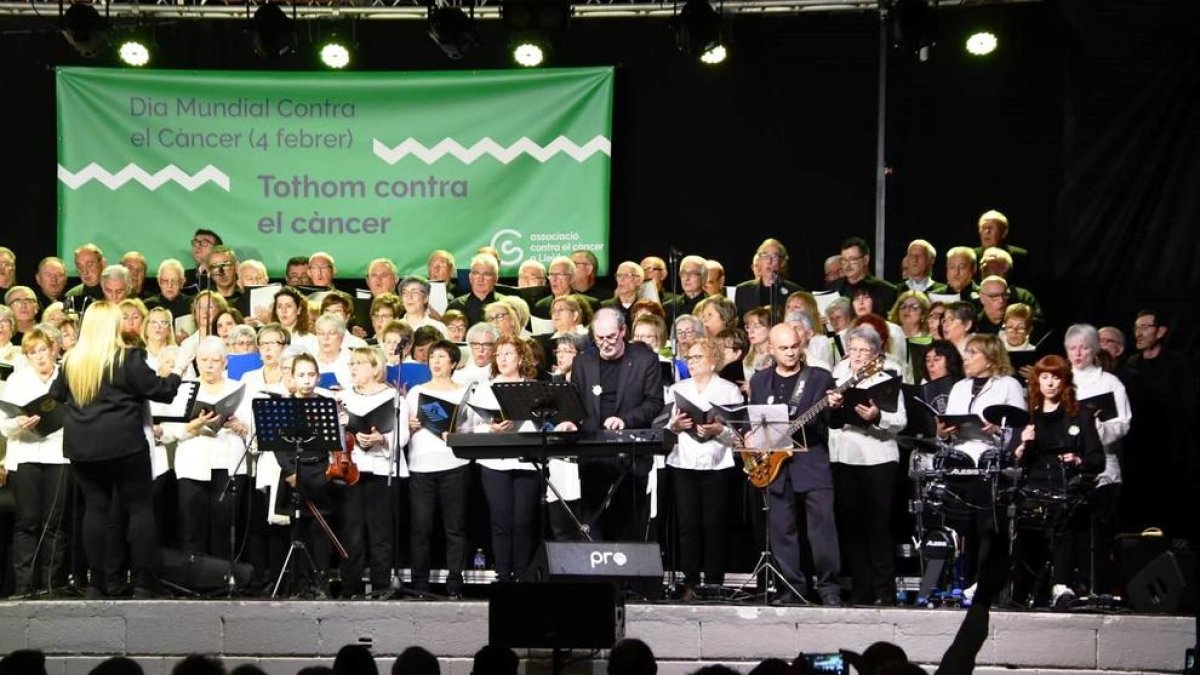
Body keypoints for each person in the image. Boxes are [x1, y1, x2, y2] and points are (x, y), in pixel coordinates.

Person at [50, 301, 185, 597]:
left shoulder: (73, 360)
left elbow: (57, 394)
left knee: (95, 510)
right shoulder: (127, 358)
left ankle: (96, 583)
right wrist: (175, 371)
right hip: (124, 446)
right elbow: (162, 392)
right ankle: (142, 582)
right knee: (139, 510)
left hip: (83, 448)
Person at [748, 323, 841, 606]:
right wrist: (752, 437)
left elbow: (833, 422)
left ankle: (829, 589)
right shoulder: (760, 380)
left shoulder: (819, 377)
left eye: (794, 347)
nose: (790, 353)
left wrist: (836, 407)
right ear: (771, 349)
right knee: (781, 529)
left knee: (822, 528)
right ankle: (792, 588)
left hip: (811, 460)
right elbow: (755, 420)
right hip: (775, 462)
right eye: (784, 348)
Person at [557, 308, 664, 541]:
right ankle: (597, 576)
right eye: (599, 338)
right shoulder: (583, 362)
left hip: (630, 455)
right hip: (592, 453)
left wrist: (625, 420)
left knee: (625, 524)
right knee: (592, 521)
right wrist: (569, 421)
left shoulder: (645, 360)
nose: (605, 344)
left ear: (623, 331)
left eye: (611, 337)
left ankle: (626, 576)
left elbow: (654, 402)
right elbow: (574, 403)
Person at [1012, 355, 1104, 606]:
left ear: (1064, 382)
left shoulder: (1079, 414)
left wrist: (1077, 460)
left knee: (1065, 516)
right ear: (1036, 381)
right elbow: (1017, 458)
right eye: (1044, 377)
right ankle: (1020, 586)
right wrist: (1022, 444)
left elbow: (1097, 459)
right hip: (1033, 486)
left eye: (1055, 377)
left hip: (1066, 485)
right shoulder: (1030, 416)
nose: (1049, 383)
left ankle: (1060, 584)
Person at [827, 325, 906, 605]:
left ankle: (885, 591)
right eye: (854, 349)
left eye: (865, 351)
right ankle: (861, 590)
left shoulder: (886, 378)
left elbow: (900, 422)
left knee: (878, 527)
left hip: (877, 459)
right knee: (852, 527)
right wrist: (832, 406)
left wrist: (877, 415)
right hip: (844, 457)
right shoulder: (837, 376)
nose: (858, 355)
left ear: (876, 354)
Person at [938, 333, 1025, 586]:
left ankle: (984, 582)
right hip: (962, 458)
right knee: (961, 524)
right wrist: (943, 433)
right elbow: (949, 425)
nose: (966, 358)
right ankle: (959, 580)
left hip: (991, 461)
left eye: (973, 353)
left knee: (987, 525)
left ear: (991, 357)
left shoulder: (1009, 384)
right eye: (967, 353)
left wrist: (998, 430)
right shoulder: (960, 387)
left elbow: (1017, 428)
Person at [159, 336, 252, 559]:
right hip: (193, 465)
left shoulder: (239, 388)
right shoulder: (183, 390)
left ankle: (222, 579)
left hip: (228, 465)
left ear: (225, 362)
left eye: (215, 360)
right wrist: (192, 426)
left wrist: (239, 426)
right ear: (196, 362)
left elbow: (253, 431)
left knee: (224, 526)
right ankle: (195, 580)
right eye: (204, 360)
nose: (209, 365)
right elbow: (168, 432)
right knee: (192, 527)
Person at [664, 337, 743, 598]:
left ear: (712, 361)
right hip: (684, 462)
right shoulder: (678, 388)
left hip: (717, 463)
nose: (692, 362)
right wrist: (675, 426)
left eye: (698, 357)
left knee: (714, 524)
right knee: (688, 525)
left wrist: (719, 429)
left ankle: (713, 581)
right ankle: (689, 581)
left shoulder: (729, 390)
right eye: (690, 358)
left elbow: (739, 436)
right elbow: (665, 426)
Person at [1, 328, 70, 596]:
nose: (39, 357)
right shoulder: (18, 380)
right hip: (27, 455)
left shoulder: (65, 376)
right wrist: (17, 423)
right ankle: (23, 587)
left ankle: (50, 587)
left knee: (54, 523)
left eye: (43, 350)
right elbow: (4, 425)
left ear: (54, 349)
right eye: (32, 352)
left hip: (58, 456)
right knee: (27, 522)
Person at [1063, 324, 1131, 595]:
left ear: (1094, 350)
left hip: (1102, 468)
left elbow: (1122, 425)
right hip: (1065, 466)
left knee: (1098, 532)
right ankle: (1066, 585)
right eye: (1072, 349)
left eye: (1084, 348)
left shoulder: (1109, 383)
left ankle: (1099, 587)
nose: (1078, 354)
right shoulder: (1060, 379)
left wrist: (1095, 427)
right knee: (1069, 530)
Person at [336, 346, 408, 597]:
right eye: (351, 363)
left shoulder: (394, 397)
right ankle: (350, 588)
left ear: (375, 367)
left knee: (381, 533)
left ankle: (380, 587)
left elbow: (403, 435)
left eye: (359, 363)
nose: (353, 368)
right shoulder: (343, 398)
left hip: (380, 470)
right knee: (351, 532)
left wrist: (381, 438)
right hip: (351, 469)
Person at [406, 339, 471, 597]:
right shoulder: (416, 392)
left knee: (455, 528)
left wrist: (455, 433)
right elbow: (404, 430)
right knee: (420, 528)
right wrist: (409, 425)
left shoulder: (463, 391)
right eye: (433, 357)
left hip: (455, 466)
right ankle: (420, 584)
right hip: (421, 467)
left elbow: (471, 428)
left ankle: (455, 583)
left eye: (442, 357)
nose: (436, 361)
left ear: (453, 363)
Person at [475, 336, 541, 581]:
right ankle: (503, 574)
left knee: (523, 521)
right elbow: (472, 426)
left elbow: (542, 424)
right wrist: (491, 429)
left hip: (526, 461)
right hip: (495, 462)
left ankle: (522, 574)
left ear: (521, 358)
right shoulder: (485, 387)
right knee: (500, 521)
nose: (502, 359)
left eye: (508, 354)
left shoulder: (532, 387)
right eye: (499, 354)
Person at [733, 238, 806, 320]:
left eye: (774, 256)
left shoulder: (795, 291)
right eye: (765, 256)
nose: (769, 261)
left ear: (782, 262)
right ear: (759, 261)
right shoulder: (743, 290)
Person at [832, 236, 897, 316]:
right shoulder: (833, 288)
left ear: (865, 260)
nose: (847, 265)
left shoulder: (887, 291)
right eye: (844, 260)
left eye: (852, 259)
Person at [447, 254, 504, 327]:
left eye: (486, 274)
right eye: (476, 273)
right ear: (470, 277)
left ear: (496, 279)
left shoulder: (506, 305)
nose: (480, 279)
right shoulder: (456, 306)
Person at [664, 255, 709, 319]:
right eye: (683, 273)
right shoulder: (669, 306)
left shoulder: (712, 306)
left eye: (692, 273)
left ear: (704, 277)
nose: (686, 278)